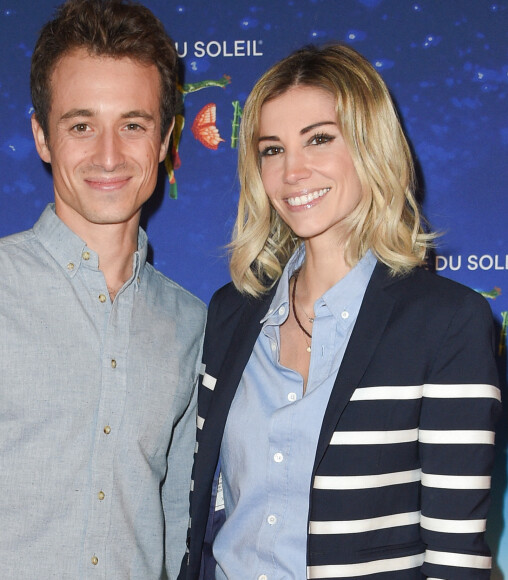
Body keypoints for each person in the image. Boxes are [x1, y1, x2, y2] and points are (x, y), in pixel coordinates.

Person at [181, 44, 501, 580]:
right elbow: (209, 513)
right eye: (272, 149)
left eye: (320, 139)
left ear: (371, 146)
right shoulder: (230, 314)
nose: (293, 172)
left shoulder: (449, 324)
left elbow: (455, 556)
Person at [0, 1, 206, 578]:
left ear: (164, 140)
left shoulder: (189, 322)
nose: (109, 155)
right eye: (81, 125)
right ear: (42, 137)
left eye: (133, 124)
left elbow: (179, 515)